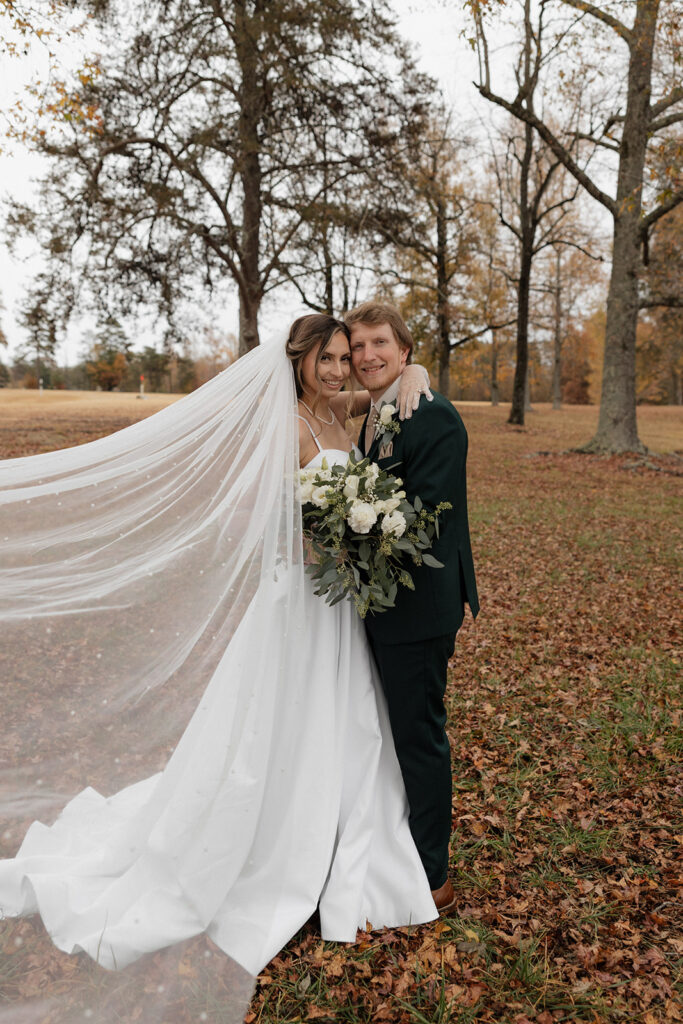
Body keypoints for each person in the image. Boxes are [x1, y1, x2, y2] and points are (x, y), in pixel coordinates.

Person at [0, 314, 439, 1021]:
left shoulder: (340, 411)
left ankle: (331, 825)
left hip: (338, 606)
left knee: (344, 719)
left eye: (343, 358)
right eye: (326, 359)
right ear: (296, 362)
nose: (338, 369)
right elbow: (258, 514)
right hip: (298, 599)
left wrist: (414, 371)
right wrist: (321, 540)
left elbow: (392, 385)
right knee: (275, 721)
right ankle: (271, 837)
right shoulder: (289, 424)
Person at [346, 300, 479, 915]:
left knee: (419, 736)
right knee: (389, 732)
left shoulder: (436, 419)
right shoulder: (373, 412)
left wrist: (337, 532)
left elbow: (421, 526)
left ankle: (433, 876)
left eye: (379, 344)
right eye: (357, 347)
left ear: (404, 350)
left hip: (417, 608)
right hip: (376, 604)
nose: (367, 355)